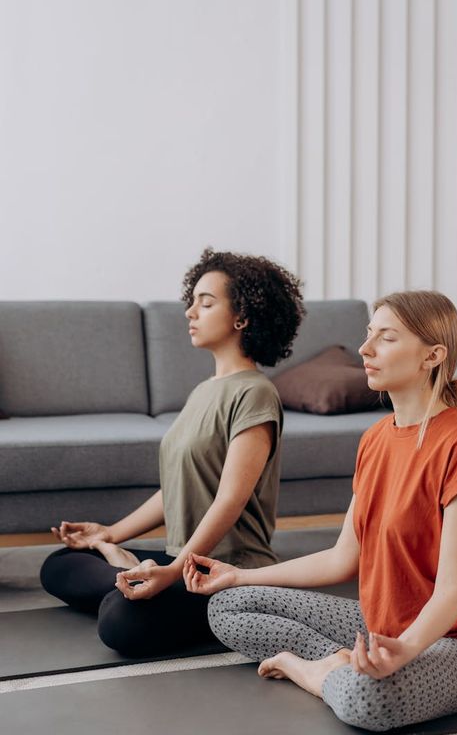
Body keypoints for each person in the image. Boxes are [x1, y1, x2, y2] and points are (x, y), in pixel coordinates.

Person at [183, 290, 457, 732]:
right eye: (368, 334)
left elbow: (453, 590)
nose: (365, 349)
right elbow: (343, 558)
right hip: (379, 624)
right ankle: (341, 662)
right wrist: (239, 576)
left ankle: (315, 672)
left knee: (369, 700)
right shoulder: (374, 439)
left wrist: (406, 649)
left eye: (386, 338)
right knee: (228, 606)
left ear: (432, 356)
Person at [40, 248, 304, 657]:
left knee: (120, 622)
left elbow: (230, 499)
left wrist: (175, 571)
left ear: (242, 316)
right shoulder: (203, 391)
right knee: (59, 563)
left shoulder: (255, 393)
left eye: (206, 302)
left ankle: (135, 581)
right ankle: (130, 574)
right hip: (181, 558)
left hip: (225, 568)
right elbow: (178, 488)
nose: (190, 312)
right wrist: (110, 534)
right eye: (192, 301)